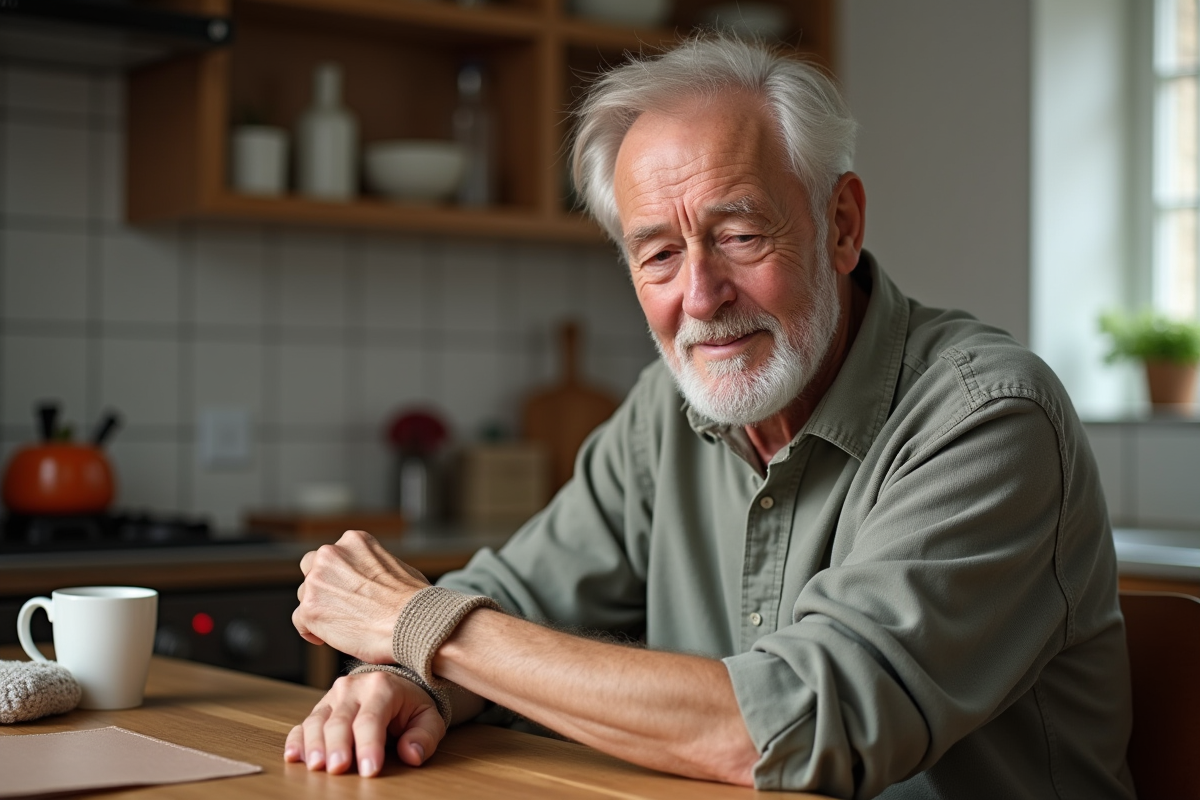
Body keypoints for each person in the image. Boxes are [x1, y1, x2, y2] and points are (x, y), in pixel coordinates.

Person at [286, 35, 1135, 799]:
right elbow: (516, 596)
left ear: (840, 225)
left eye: (739, 236)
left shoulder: (989, 419)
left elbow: (800, 727)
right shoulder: (665, 411)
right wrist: (412, 680)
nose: (700, 297)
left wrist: (419, 625)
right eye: (658, 254)